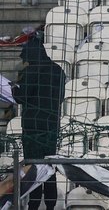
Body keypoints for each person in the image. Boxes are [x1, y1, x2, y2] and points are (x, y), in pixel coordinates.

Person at [11, 32, 65, 210]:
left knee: (33, 168)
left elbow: (21, 97)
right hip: (51, 126)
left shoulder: (32, 71)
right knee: (49, 168)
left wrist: (12, 88)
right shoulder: (58, 70)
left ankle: (34, 205)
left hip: (33, 128)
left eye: (24, 54)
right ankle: (50, 205)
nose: (22, 57)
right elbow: (61, 97)